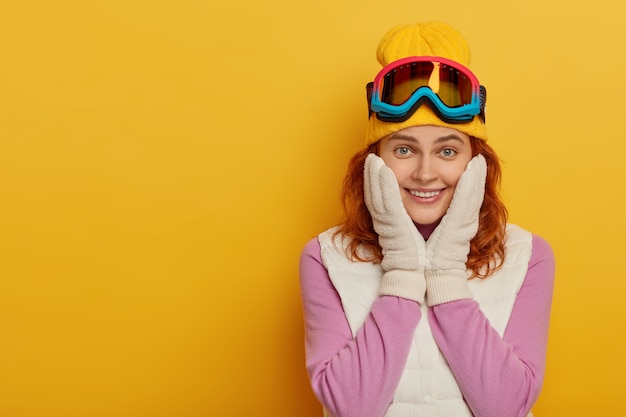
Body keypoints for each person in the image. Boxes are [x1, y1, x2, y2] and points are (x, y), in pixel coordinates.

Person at [298, 21, 555, 417]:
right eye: (403, 149)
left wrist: (446, 269)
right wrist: (402, 265)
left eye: (448, 151)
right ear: (373, 162)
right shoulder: (324, 257)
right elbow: (351, 408)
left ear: (476, 163)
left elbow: (506, 408)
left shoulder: (528, 255)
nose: (424, 173)